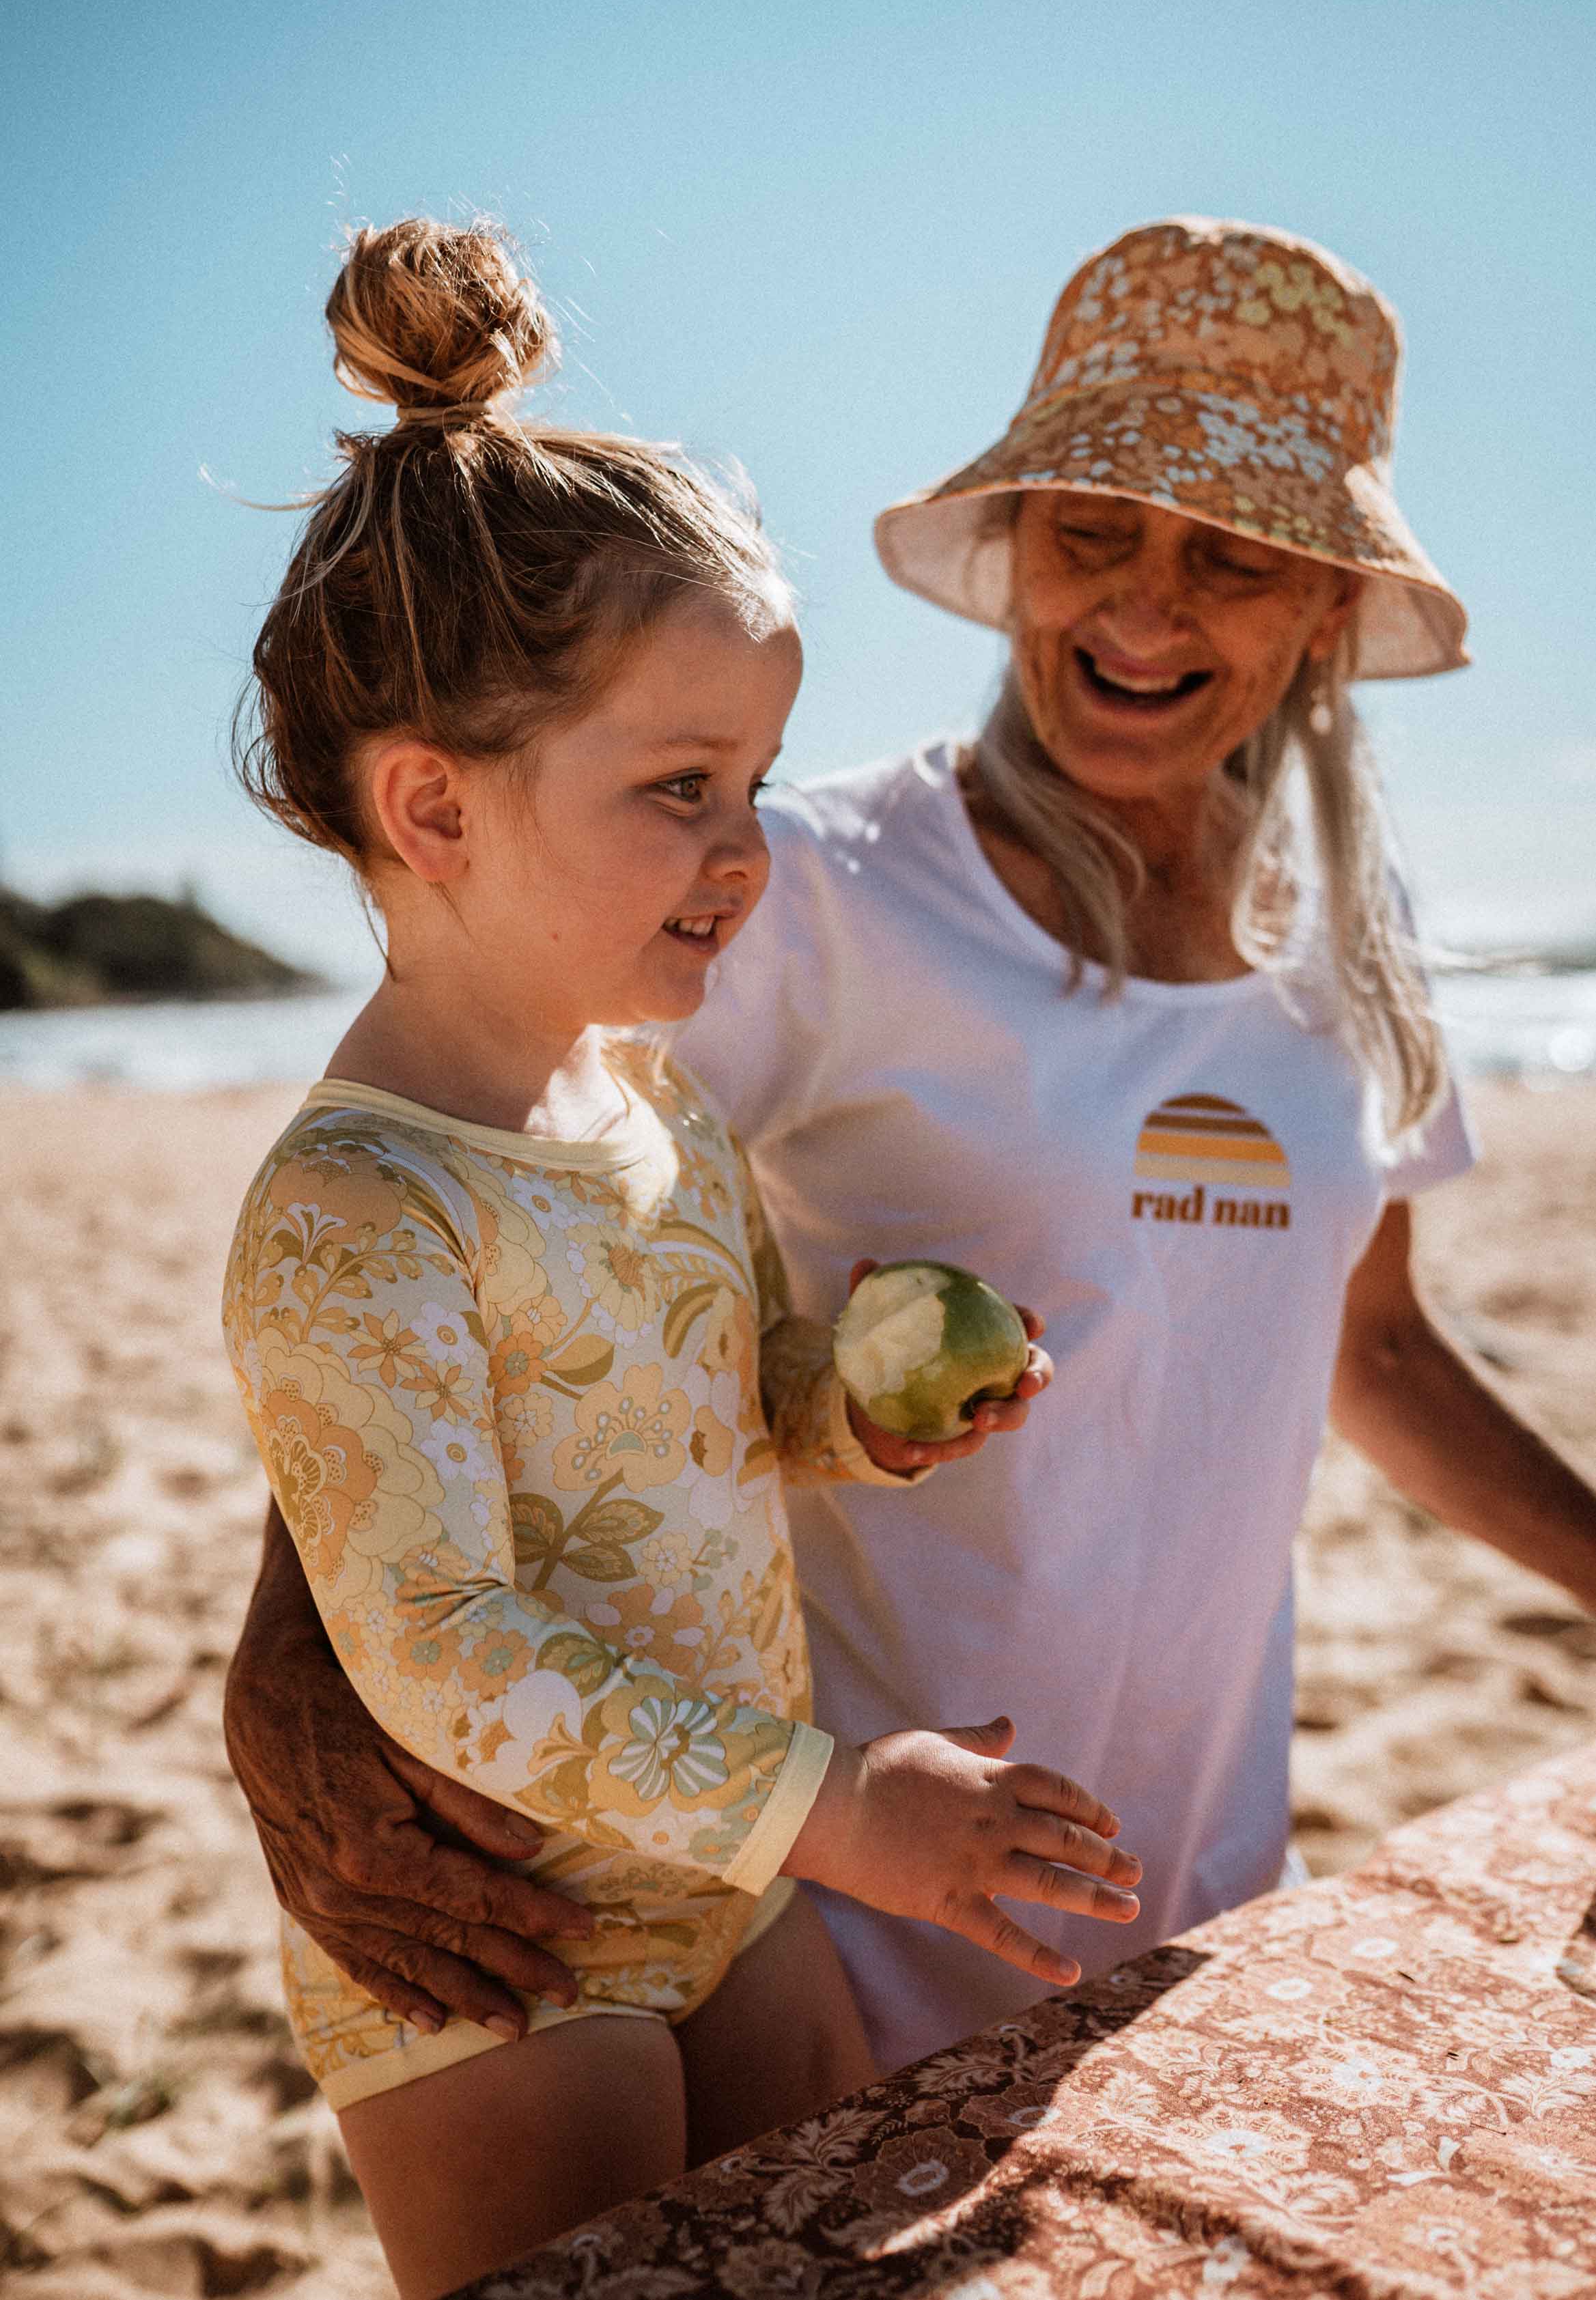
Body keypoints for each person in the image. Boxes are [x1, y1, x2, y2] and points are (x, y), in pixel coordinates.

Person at [223, 216, 1596, 2098]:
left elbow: (1371, 1352)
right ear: (1014, 540)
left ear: (1329, 614)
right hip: (826, 1896)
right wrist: (279, 1657)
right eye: (1090, 529)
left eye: (1229, 557)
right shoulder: (821, 893)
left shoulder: (1354, 954)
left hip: (1188, 1874)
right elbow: (485, 1196)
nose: (1139, 606)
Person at [221, 216, 1142, 2298]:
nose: (747, 852)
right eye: (677, 788)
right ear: (433, 811)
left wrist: (854, 1406)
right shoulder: (359, 1207)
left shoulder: (656, 1107)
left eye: (757, 782)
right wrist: (837, 1809)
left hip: (727, 1887)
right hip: (501, 1946)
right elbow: (441, 1646)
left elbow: (724, 1405)